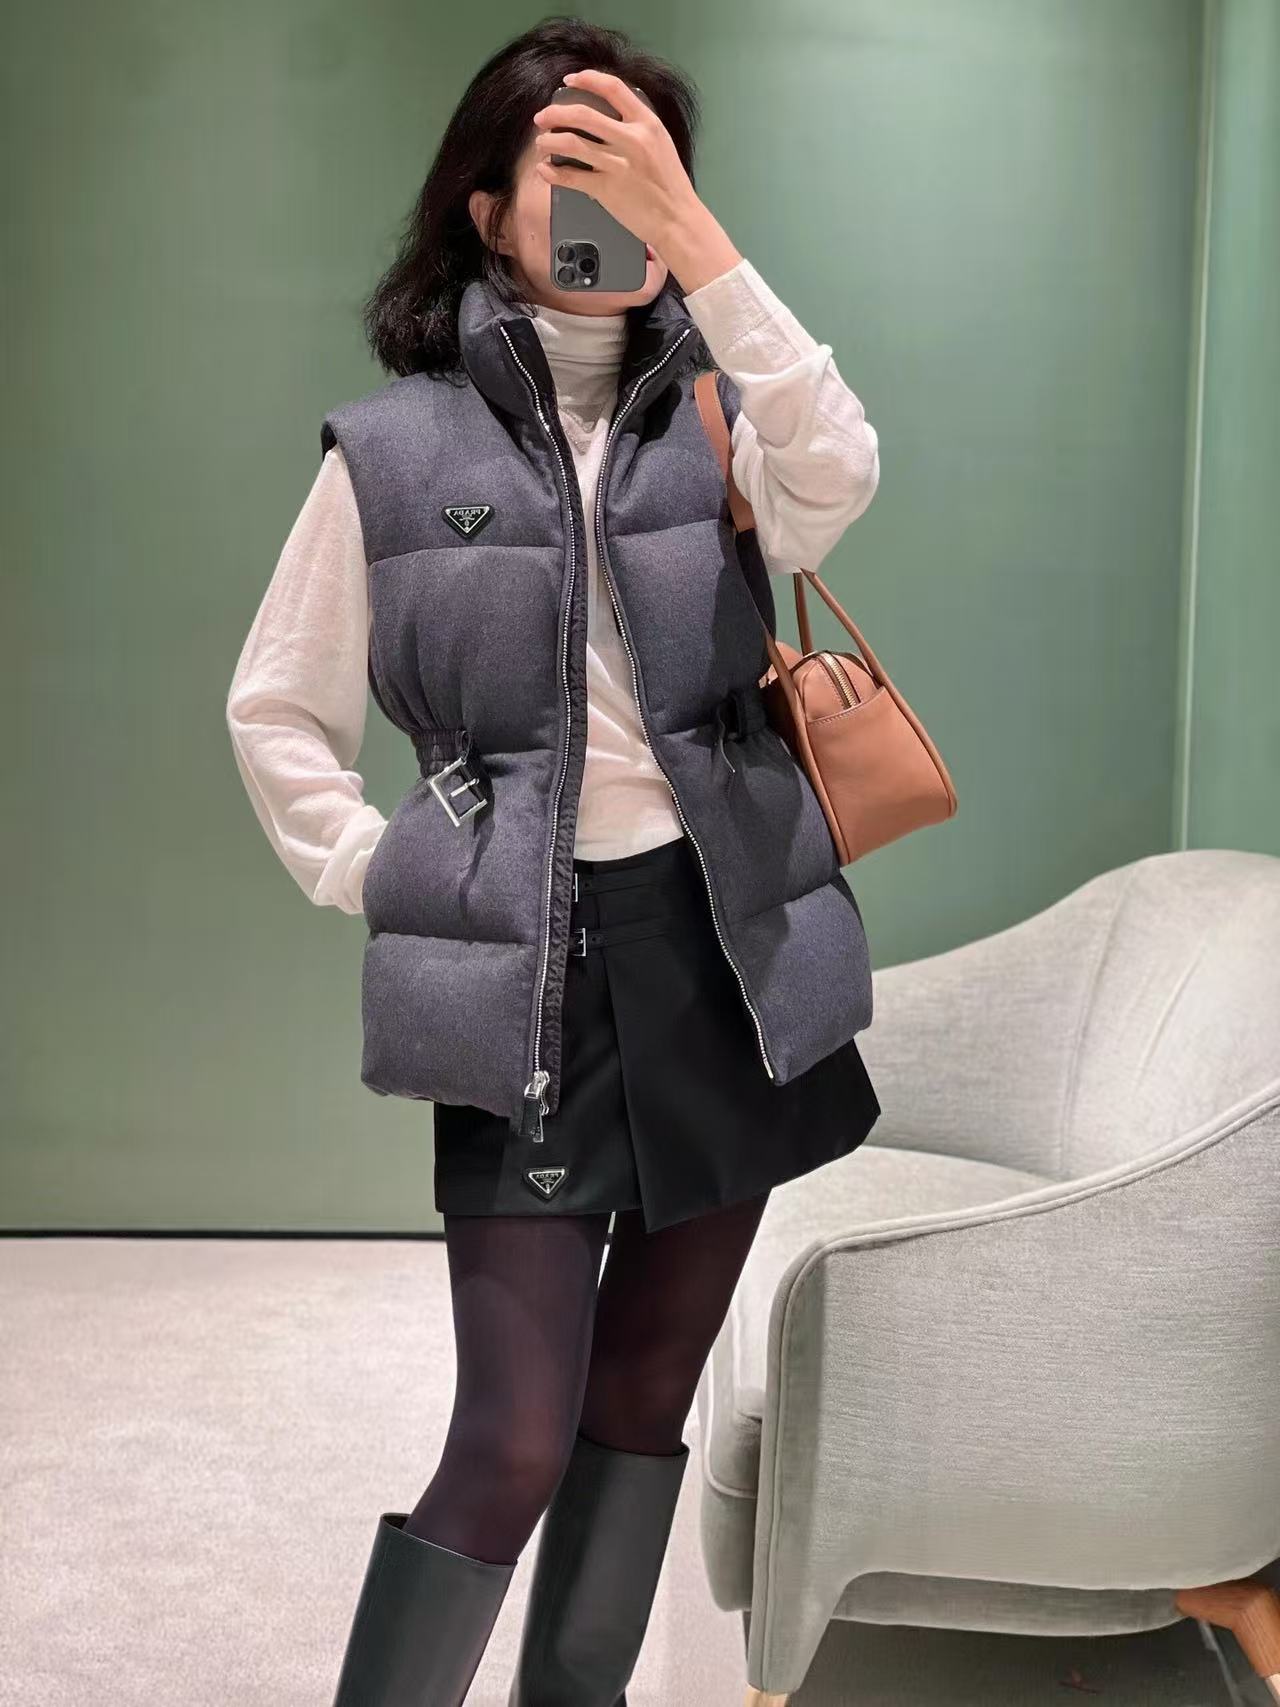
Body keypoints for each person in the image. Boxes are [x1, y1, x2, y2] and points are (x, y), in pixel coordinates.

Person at [226, 17, 883, 1706]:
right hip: (525, 969)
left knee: (644, 1403)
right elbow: (277, 707)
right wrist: (382, 872)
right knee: (512, 1436)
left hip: (721, 953)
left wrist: (705, 245)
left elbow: (841, 475)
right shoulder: (395, 453)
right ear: (485, 211)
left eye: (645, 181)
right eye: (578, 178)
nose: (615, 219)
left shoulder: (727, 418)